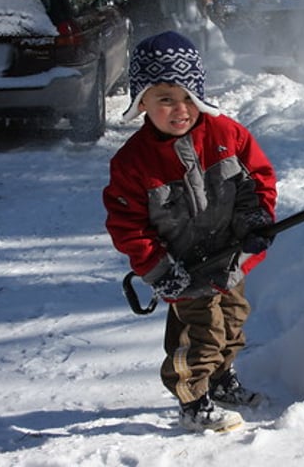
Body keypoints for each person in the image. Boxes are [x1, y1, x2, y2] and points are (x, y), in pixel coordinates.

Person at [103, 31, 277, 433]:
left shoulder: (226, 134)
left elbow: (258, 182)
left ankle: (219, 378)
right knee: (198, 337)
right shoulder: (132, 163)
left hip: (230, 257)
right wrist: (158, 268)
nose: (180, 109)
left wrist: (255, 220)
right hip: (183, 268)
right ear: (142, 102)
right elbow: (126, 224)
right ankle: (192, 399)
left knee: (232, 323)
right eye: (165, 99)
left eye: (188, 97)